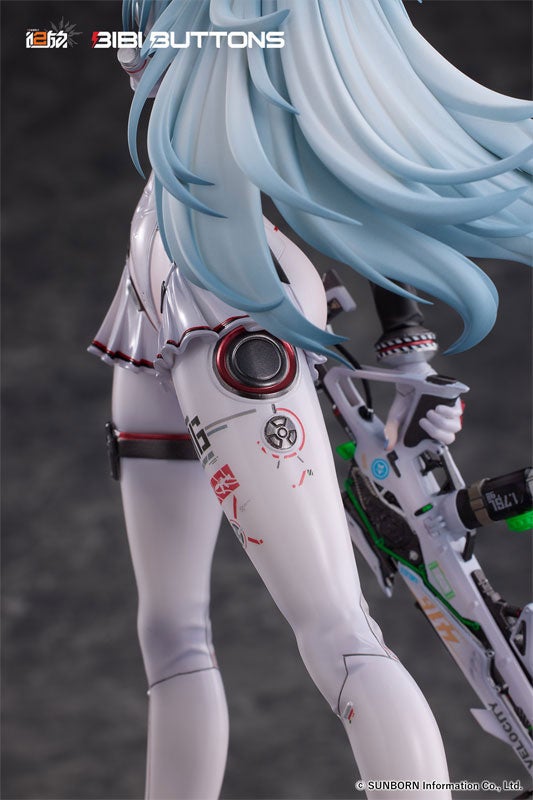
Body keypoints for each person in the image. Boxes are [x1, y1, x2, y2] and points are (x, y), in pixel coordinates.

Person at [90, 2, 532, 798]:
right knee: (170, 632)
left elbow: (346, 117)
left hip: (222, 286)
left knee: (338, 633)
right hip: (157, 282)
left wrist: (407, 345)